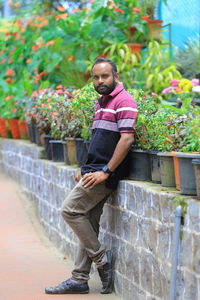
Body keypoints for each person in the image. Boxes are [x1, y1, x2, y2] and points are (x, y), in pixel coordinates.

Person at [45, 58, 138, 295]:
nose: (100, 81)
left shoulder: (124, 101)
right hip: (93, 171)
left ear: (115, 75)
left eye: (105, 76)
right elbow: (98, 140)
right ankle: (79, 279)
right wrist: (85, 168)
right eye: (96, 77)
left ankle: (102, 258)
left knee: (70, 210)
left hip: (105, 174)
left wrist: (105, 172)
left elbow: (126, 139)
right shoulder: (101, 102)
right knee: (89, 222)